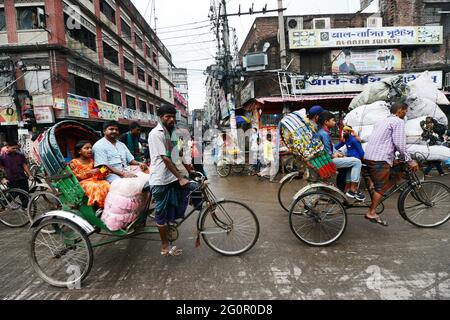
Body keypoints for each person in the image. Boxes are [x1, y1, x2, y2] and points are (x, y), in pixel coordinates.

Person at [149, 105, 197, 257]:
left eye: (172, 116)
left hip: (172, 177)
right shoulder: (156, 134)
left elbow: (178, 155)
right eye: (167, 116)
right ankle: (164, 246)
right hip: (160, 179)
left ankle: (172, 225)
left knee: (194, 188)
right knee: (161, 212)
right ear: (160, 117)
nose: (170, 119)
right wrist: (180, 178)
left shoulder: (173, 133)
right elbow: (165, 158)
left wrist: (189, 170)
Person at [364, 102, 419, 227]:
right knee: (381, 186)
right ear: (400, 110)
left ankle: (375, 192)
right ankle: (372, 212)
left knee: (396, 174)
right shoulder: (398, 122)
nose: (406, 113)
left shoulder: (381, 121)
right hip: (379, 159)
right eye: (405, 111)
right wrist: (410, 160)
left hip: (370, 156)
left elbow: (385, 141)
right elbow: (400, 143)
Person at [317, 112, 366, 201]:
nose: (335, 122)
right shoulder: (324, 134)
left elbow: (333, 148)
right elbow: (329, 152)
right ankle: (353, 189)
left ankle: (347, 189)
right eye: (333, 120)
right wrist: (336, 155)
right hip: (328, 161)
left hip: (327, 159)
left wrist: (338, 154)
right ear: (326, 122)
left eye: (345, 131)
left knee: (352, 163)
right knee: (357, 162)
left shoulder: (323, 133)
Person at [69, 141, 110, 208]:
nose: (90, 150)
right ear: (79, 151)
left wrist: (103, 170)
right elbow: (75, 177)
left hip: (96, 180)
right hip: (83, 183)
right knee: (94, 187)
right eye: (86, 148)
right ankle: (99, 206)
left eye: (91, 148)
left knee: (106, 184)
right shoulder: (74, 162)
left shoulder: (92, 161)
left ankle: (108, 205)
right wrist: (89, 172)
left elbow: (100, 171)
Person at [0, 140, 33, 207]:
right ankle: (2, 204)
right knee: (12, 194)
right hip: (11, 179)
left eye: (16, 148)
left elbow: (24, 165)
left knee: (25, 194)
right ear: (7, 147)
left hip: (22, 177)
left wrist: (30, 175)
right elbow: (1, 168)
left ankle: (26, 209)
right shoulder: (2, 157)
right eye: (13, 148)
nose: (15, 150)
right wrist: (3, 179)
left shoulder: (20, 155)